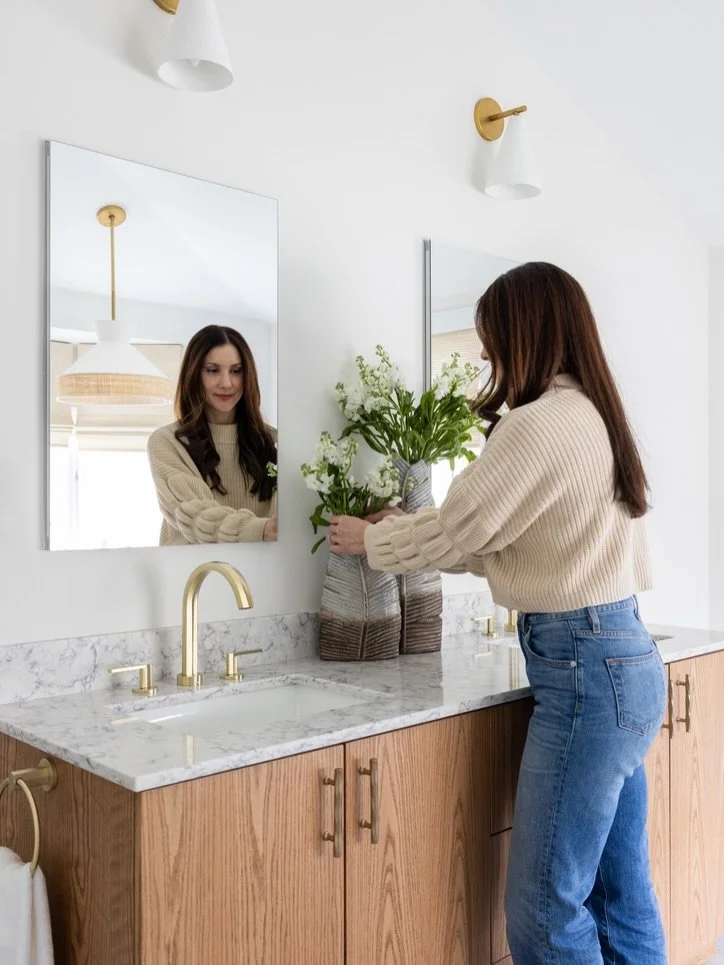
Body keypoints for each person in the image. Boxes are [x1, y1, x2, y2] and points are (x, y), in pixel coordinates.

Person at [328, 262, 667, 965]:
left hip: (582, 670)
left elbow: (460, 533)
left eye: (489, 340)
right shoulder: (595, 416)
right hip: (625, 659)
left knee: (545, 912)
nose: (484, 356)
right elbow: (507, 543)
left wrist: (372, 540)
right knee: (619, 893)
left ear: (526, 331)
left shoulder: (535, 426)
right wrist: (413, 530)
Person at [147, 325, 277, 545]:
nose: (226, 383)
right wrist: (262, 529)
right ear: (194, 374)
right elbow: (197, 518)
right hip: (189, 577)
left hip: (257, 578)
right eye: (213, 370)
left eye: (236, 371)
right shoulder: (166, 443)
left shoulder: (275, 442)